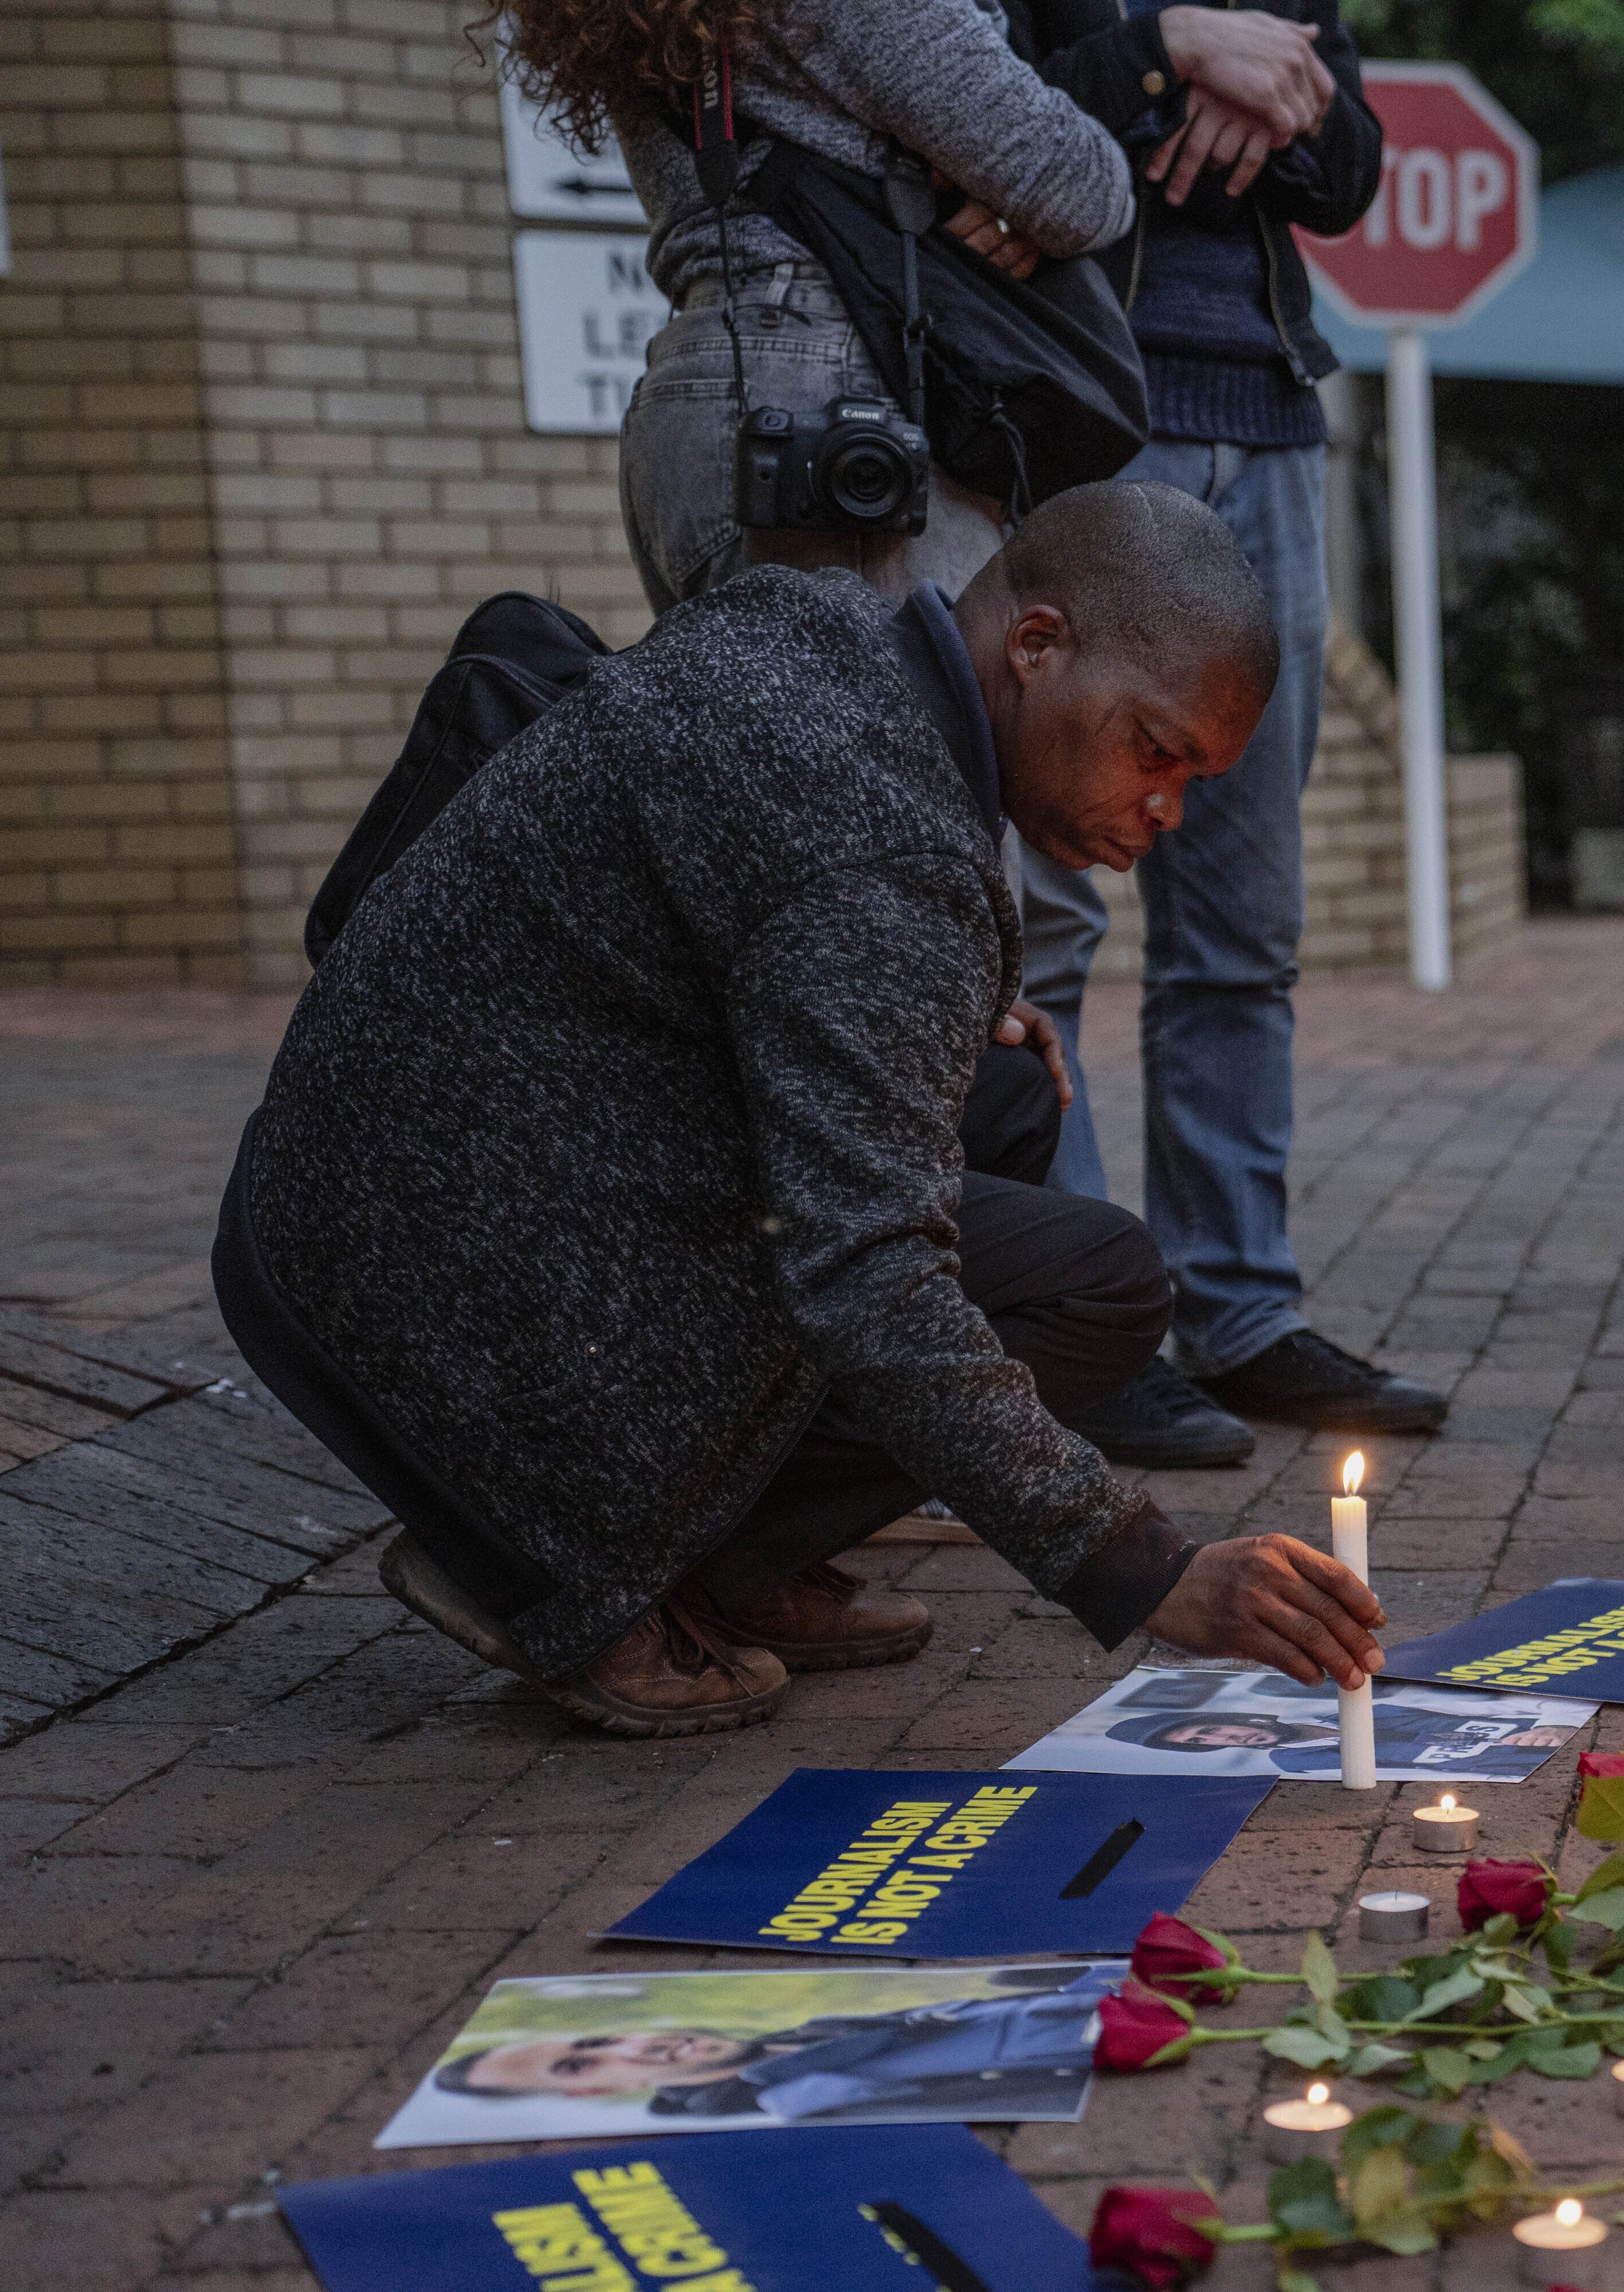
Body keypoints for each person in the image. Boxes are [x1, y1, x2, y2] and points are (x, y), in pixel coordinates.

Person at [217, 485, 1387, 1737]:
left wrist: (942, 999)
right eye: (1156, 752)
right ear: (1037, 646)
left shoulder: (824, 625)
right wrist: (1137, 1561)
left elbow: (730, 891)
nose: (1168, 811)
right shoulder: (877, 850)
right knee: (1091, 1279)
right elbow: (871, 1276)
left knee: (990, 1094)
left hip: (382, 1170)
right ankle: (556, 1557)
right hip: (422, 1279)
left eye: (1197, 781)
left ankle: (728, 1558)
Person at [1009, 0, 1436, 1466]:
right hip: (1078, 409)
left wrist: (1285, 92)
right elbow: (1002, 108)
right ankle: (1080, 1334)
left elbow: (1354, 174)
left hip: (1269, 425)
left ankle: (1240, 1313)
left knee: (1243, 922)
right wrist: (1174, 51)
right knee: (1042, 916)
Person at [498, 0, 1177, 609]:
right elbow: (1082, 185)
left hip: (693, 389)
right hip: (835, 387)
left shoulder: (664, 18)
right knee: (908, 744)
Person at [437, 1967, 1118, 2121]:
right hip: (1089, 2045)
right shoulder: (795, 2098)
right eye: (584, 2062)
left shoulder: (800, 2039)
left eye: (603, 2034)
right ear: (591, 2091)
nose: (642, 2046)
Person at [1111, 1708, 1578, 1777]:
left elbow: (1454, 1717)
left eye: (1211, 1726)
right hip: (1499, 1764)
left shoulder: (1332, 1707)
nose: (1225, 1737)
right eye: (1203, 1743)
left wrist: (1552, 1725)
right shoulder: (1298, 1762)